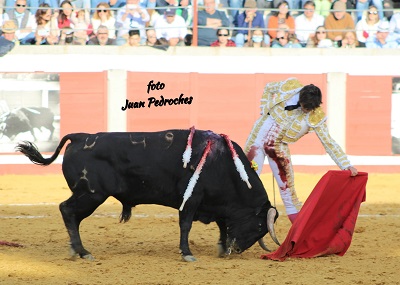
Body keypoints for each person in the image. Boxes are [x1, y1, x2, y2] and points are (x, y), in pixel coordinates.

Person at [244, 78, 358, 223]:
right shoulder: (290, 86)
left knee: (288, 190)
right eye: (305, 107)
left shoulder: (316, 115)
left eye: (310, 109)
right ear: (300, 98)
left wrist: (346, 165)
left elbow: (328, 142)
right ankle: (238, 221)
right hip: (257, 138)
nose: (306, 110)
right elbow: (268, 88)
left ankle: (299, 231)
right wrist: (264, 109)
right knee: (246, 181)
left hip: (277, 146)